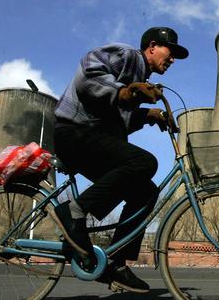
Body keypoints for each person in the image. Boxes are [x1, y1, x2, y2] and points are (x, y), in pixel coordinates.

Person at [53, 27, 188, 293]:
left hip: (91, 139)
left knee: (147, 192)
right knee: (145, 162)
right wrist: (127, 92)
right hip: (73, 133)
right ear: (152, 46)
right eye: (170, 52)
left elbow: (117, 119)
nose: (171, 60)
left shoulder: (140, 78)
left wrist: (148, 116)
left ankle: (116, 263)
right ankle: (73, 213)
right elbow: (88, 74)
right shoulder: (126, 55)